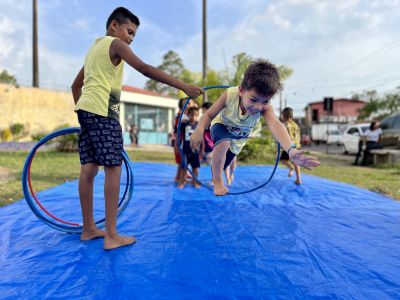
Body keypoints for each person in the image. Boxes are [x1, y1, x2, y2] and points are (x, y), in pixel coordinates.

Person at [71, 7, 202, 250]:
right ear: (114, 26)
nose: (130, 39)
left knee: (88, 168)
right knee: (113, 167)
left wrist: (83, 108)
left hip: (86, 110)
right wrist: (182, 85)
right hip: (102, 112)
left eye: (134, 36)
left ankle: (89, 228)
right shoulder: (115, 44)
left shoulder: (94, 49)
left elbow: (74, 85)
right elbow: (145, 69)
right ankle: (111, 235)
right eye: (129, 32)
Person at [190, 59, 320, 196]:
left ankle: (219, 173)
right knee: (223, 143)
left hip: (238, 140)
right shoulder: (230, 94)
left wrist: (291, 150)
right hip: (221, 125)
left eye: (265, 101)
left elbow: (276, 124)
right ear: (241, 90)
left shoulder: (265, 108)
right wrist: (199, 129)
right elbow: (209, 114)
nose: (258, 107)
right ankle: (217, 182)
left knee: (222, 164)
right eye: (253, 99)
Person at [178, 107, 201, 188]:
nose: (193, 117)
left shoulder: (199, 125)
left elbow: (201, 138)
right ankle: (182, 182)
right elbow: (178, 129)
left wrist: (202, 150)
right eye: (192, 115)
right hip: (186, 150)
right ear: (188, 115)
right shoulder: (184, 124)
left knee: (195, 168)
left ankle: (194, 182)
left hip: (195, 150)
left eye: (196, 115)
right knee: (184, 167)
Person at [280, 107, 302, 184]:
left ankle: (291, 167)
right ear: (291, 116)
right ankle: (299, 179)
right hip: (297, 146)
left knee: (283, 160)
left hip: (289, 146)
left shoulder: (284, 125)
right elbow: (298, 136)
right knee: (296, 162)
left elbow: (283, 136)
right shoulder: (296, 125)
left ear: (283, 116)